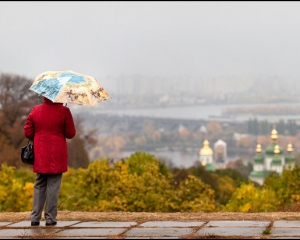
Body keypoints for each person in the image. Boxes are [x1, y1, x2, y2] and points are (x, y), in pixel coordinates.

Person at [23, 97, 76, 227]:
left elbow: (27, 132)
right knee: (53, 186)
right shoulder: (64, 111)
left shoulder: (36, 110)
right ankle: (50, 218)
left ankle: (35, 218)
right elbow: (70, 134)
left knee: (39, 184)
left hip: (40, 153)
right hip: (57, 154)